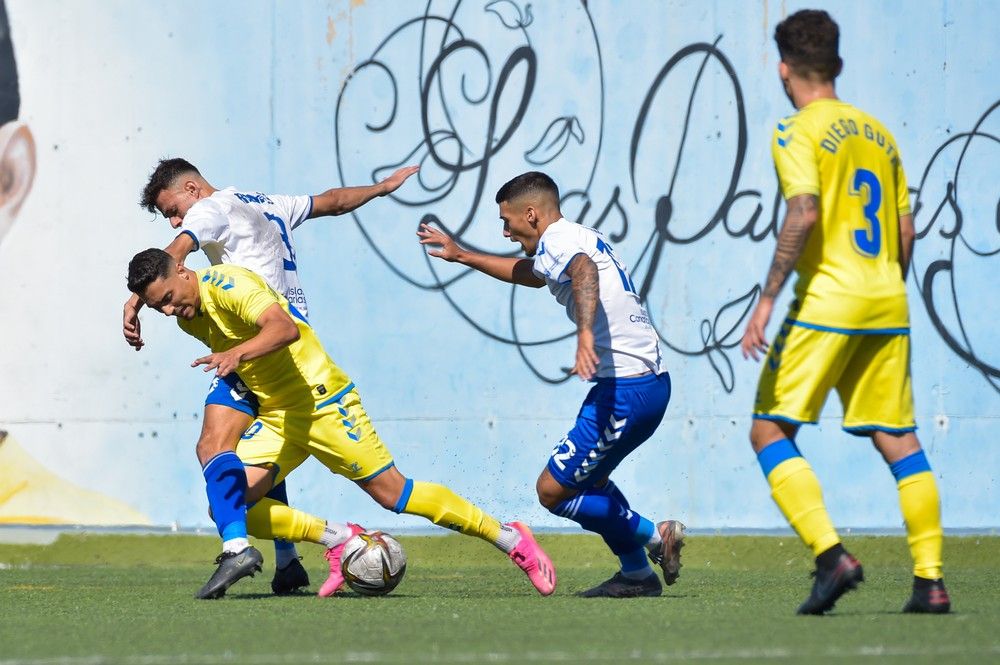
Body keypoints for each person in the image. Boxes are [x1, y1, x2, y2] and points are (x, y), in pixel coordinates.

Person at [126, 249, 557, 599]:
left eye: (167, 297)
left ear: (183, 271)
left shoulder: (230, 284)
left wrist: (237, 355)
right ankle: (340, 539)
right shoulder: (188, 315)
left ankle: (510, 538)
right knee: (230, 504)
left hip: (324, 403)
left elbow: (284, 330)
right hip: (279, 415)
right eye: (156, 305)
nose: (167, 310)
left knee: (395, 494)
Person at [123, 158, 418, 597]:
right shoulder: (266, 201)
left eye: (172, 208)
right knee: (255, 454)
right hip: (289, 346)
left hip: (259, 340)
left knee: (213, 445)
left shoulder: (209, 209)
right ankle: (287, 559)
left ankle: (243, 547)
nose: (175, 219)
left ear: (191, 187)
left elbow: (176, 255)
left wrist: (134, 300)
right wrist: (379, 188)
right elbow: (332, 202)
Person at [739, 9, 949, 615]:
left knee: (768, 429)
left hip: (828, 298)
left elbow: (802, 212)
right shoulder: (879, 133)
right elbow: (906, 230)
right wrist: (884, 287)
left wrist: (770, 297)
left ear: (784, 70)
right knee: (898, 436)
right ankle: (930, 582)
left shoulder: (795, 130)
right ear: (839, 66)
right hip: (888, 298)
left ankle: (831, 557)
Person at [417, 171, 685, 598]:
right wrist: (462, 255)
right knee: (589, 482)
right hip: (637, 385)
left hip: (628, 390)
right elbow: (533, 273)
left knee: (552, 492)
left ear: (531, 214)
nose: (505, 232)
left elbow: (582, 270)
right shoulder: (570, 237)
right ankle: (636, 573)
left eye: (508, 222)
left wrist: (583, 334)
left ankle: (656, 536)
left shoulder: (564, 245)